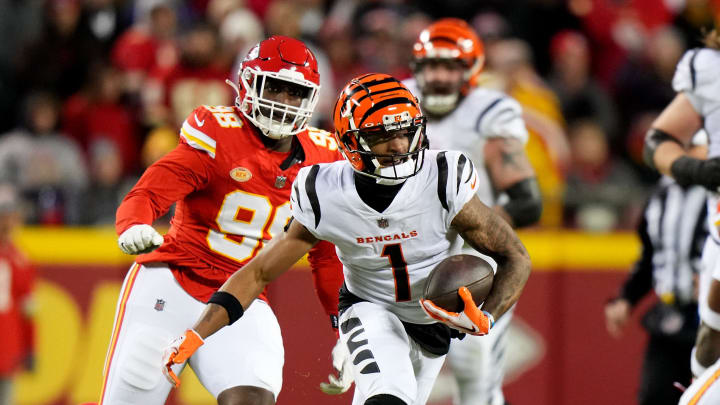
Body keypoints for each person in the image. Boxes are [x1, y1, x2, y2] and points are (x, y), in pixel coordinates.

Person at [160, 73, 532, 405]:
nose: (399, 145)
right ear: (349, 140)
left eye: (405, 131)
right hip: (370, 306)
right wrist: (197, 333)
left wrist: (487, 316)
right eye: (382, 135)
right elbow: (259, 273)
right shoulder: (324, 191)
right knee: (388, 396)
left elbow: (515, 256)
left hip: (433, 325)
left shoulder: (443, 177)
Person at [100, 36, 344, 405]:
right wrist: (133, 224)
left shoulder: (323, 160)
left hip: (241, 299)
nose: (283, 102)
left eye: (294, 92)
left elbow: (325, 255)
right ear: (246, 84)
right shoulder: (217, 134)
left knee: (252, 399)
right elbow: (149, 193)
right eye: (274, 88)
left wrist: (345, 326)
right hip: (172, 283)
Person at [403, 18, 541, 405]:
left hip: (471, 255)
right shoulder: (396, 102)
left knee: (472, 365)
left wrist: (473, 232)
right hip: (406, 250)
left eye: (450, 66)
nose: (440, 76)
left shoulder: (489, 111)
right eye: (431, 65)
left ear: (472, 70)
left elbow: (527, 202)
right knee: (403, 369)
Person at [642, 29, 720, 404]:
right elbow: (658, 140)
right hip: (717, 248)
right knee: (706, 360)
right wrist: (697, 171)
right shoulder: (708, 68)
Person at [604, 146, 707, 405]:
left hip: (711, 320)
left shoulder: (713, 193)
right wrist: (627, 297)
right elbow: (651, 256)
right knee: (654, 397)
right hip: (669, 316)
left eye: (691, 146)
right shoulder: (662, 194)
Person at [0, 183, 35, 405]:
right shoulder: (19, 260)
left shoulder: (21, 260)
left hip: (8, 348)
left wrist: (30, 347)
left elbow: (27, 309)